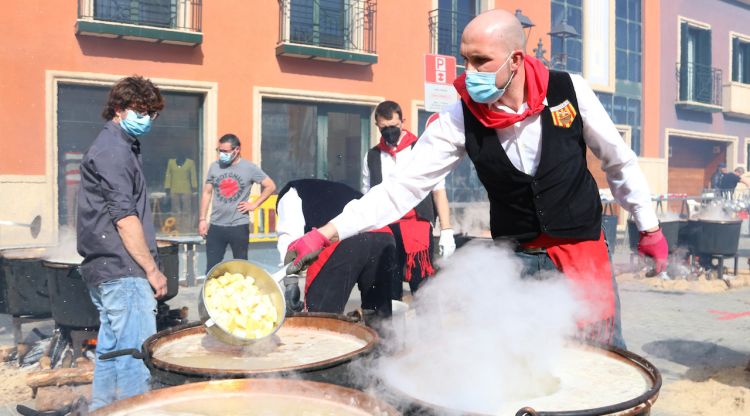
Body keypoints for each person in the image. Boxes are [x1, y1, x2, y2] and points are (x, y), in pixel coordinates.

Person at [285, 9, 668, 349]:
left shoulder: (569, 90)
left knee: (600, 355)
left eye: (480, 61)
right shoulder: (458, 117)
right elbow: (403, 187)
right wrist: (327, 232)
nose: (468, 74)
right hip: (517, 258)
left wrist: (648, 226)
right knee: (524, 359)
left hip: (582, 248)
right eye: (465, 60)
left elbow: (619, 161)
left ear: (516, 59)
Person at [76, 75, 167, 409]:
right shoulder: (114, 150)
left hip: (106, 269)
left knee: (111, 354)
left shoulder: (117, 145)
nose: (147, 120)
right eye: (140, 111)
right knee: (133, 360)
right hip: (123, 270)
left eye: (151, 114)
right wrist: (152, 270)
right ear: (118, 108)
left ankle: (102, 410)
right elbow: (125, 219)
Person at [362, 101, 455, 299]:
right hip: (386, 228)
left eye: (393, 127)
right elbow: (367, 195)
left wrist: (446, 230)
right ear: (378, 126)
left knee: (422, 287)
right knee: (388, 288)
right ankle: (394, 329)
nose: (389, 132)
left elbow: (438, 190)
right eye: (384, 128)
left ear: (402, 122)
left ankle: (428, 327)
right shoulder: (372, 156)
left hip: (417, 226)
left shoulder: (421, 149)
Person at [276, 179, 395, 317]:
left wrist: (291, 285)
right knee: (378, 315)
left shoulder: (288, 195)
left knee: (321, 320)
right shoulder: (336, 190)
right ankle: (382, 338)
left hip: (343, 239)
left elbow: (290, 242)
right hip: (384, 236)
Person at [199, 134, 276, 273]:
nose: (221, 154)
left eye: (225, 151)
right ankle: (211, 294)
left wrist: (254, 204)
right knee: (211, 268)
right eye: (219, 150)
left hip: (239, 225)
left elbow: (270, 186)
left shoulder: (249, 168)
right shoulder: (214, 167)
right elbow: (207, 193)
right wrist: (202, 220)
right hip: (216, 225)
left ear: (237, 150)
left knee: (241, 266)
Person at [164, 153, 197, 230]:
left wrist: (194, 187)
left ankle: (186, 227)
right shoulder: (171, 162)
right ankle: (176, 227)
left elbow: (193, 175)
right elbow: (168, 175)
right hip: (174, 189)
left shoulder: (190, 162)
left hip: (186, 189)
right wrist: (167, 187)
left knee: (187, 209)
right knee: (175, 210)